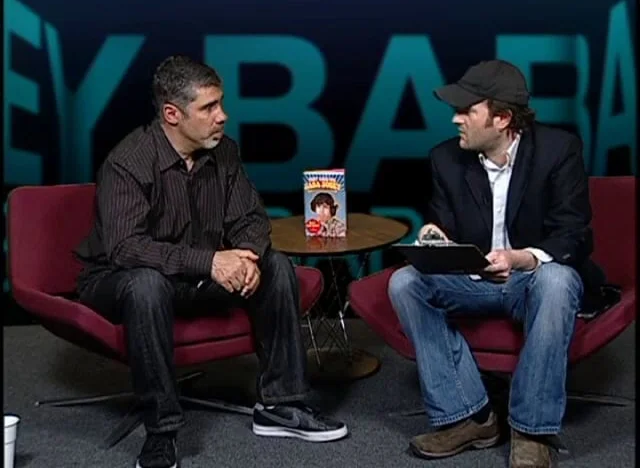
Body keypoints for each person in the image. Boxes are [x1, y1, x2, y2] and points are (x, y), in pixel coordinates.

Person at [74, 55, 348, 468]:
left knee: (275, 266)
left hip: (192, 279)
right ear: (172, 114)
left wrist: (248, 257)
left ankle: (282, 405)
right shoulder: (127, 163)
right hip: (119, 280)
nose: (223, 116)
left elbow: (251, 219)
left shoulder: (224, 152)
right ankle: (161, 432)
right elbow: (126, 249)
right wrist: (211, 262)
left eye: (221, 103)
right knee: (147, 283)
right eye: (209, 107)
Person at [387, 60, 597, 468]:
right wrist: (435, 236)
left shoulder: (558, 150)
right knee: (404, 283)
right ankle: (471, 416)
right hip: (472, 281)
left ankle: (531, 431)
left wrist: (520, 258)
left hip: (529, 280)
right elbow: (443, 223)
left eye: (466, 110)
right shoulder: (445, 158)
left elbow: (574, 234)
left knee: (557, 280)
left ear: (502, 118)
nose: (455, 119)